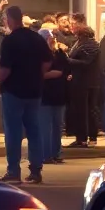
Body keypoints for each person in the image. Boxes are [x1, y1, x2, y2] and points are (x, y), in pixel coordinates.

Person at [0, 4, 52, 183]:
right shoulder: (36, 38)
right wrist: (37, 75)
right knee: (34, 130)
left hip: (13, 91)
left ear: (9, 19)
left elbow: (5, 69)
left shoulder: (10, 40)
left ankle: (13, 171)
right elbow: (47, 62)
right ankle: (36, 171)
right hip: (34, 90)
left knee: (13, 131)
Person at [66, 16, 101, 148]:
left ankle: (82, 138)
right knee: (91, 110)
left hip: (83, 82)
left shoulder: (87, 45)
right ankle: (91, 137)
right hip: (91, 82)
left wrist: (67, 60)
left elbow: (86, 63)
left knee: (82, 110)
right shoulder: (88, 44)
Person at [39, 28, 70, 165]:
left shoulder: (59, 54)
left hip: (56, 94)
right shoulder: (41, 54)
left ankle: (55, 153)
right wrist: (53, 74)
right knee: (47, 126)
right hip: (46, 95)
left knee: (56, 126)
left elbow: (62, 71)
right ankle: (47, 154)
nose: (52, 39)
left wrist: (48, 74)